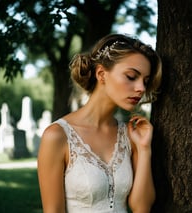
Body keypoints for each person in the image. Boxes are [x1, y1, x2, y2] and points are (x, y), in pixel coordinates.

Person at [37, 33, 162, 213]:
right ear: (101, 74)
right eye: (131, 76)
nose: (141, 88)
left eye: (145, 81)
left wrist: (144, 149)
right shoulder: (57, 136)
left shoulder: (130, 135)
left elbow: (141, 207)